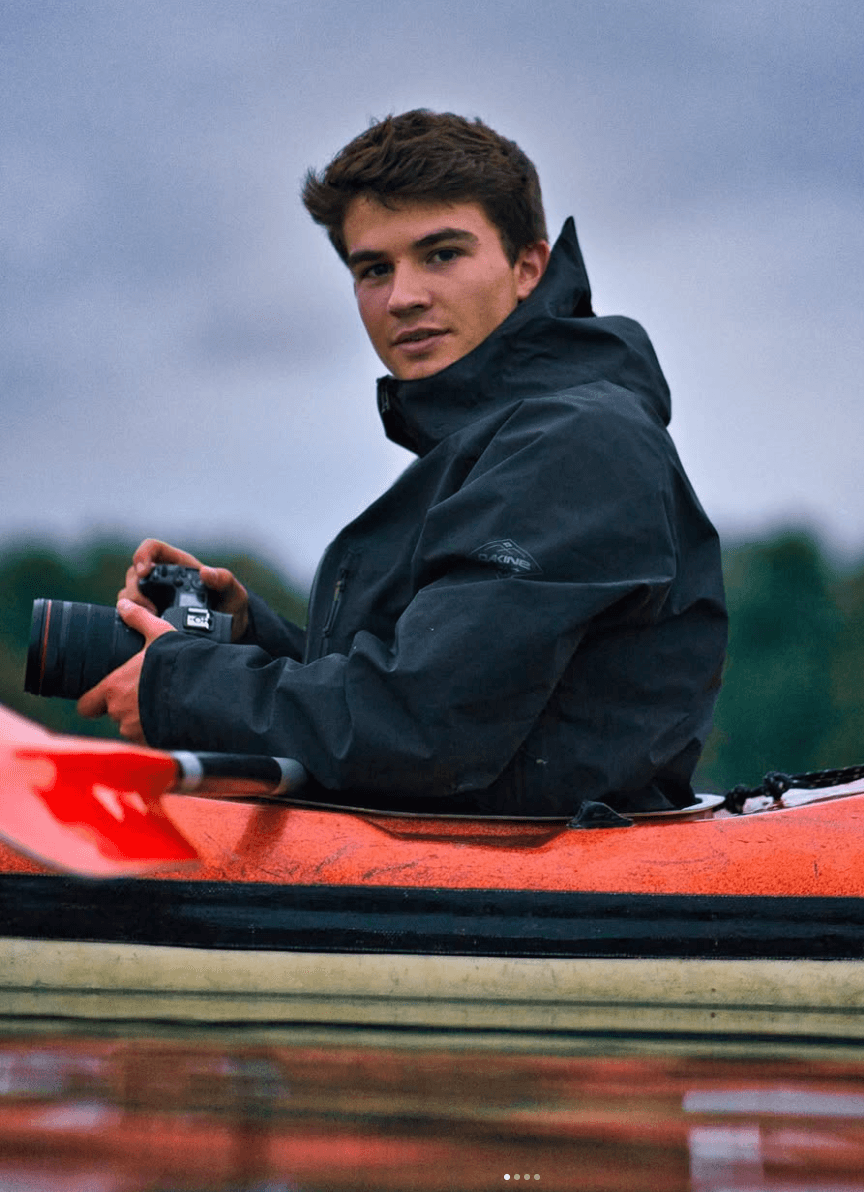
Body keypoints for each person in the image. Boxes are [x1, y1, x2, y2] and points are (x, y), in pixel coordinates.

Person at [79, 110, 727, 816]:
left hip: (535, 904)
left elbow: (425, 728)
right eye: (373, 268)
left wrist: (184, 687)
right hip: (482, 884)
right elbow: (449, 691)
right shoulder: (501, 441)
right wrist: (246, 637)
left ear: (528, 268)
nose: (403, 296)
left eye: (441, 254)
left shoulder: (573, 441)